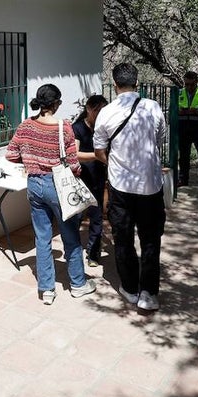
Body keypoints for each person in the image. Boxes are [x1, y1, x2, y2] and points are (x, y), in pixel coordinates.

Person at [6, 84, 95, 305]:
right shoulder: (63, 127)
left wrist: (30, 161)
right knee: (71, 236)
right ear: (55, 104)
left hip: (34, 184)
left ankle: (46, 290)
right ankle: (77, 284)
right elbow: (74, 165)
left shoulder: (26, 125)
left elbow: (10, 154)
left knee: (42, 238)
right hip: (58, 186)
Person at [93, 63, 168, 312]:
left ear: (115, 85)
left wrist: (117, 163)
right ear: (138, 83)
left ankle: (129, 287)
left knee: (122, 238)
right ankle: (149, 293)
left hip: (120, 187)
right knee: (150, 240)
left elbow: (99, 151)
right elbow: (159, 141)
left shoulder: (106, 112)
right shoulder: (153, 107)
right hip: (150, 186)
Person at [72, 94, 109, 267]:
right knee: (77, 216)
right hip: (81, 178)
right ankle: (73, 249)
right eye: (97, 110)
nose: (100, 114)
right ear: (88, 109)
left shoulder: (105, 127)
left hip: (99, 178)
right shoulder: (78, 128)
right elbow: (75, 154)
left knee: (96, 216)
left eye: (103, 111)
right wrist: (97, 156)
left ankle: (93, 253)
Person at [176, 70, 198, 194]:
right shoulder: (180, 92)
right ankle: (183, 179)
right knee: (184, 155)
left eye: (191, 84)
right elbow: (176, 108)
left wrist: (195, 110)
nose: (189, 87)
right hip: (183, 125)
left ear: (196, 82)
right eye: (187, 84)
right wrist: (189, 111)